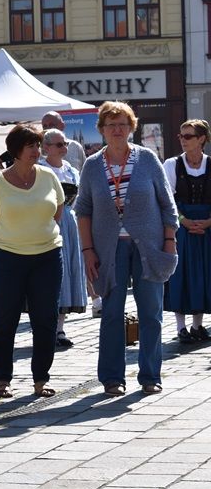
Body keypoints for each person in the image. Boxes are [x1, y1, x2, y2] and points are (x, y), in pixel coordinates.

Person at [76, 101, 178, 397]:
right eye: (111, 125)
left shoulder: (147, 159)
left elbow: (167, 206)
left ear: (131, 127)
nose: (117, 129)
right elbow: (83, 210)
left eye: (122, 124)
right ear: (102, 130)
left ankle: (149, 375)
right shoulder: (93, 165)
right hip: (109, 250)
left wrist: (169, 242)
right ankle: (112, 378)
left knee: (151, 313)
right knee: (110, 313)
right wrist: (88, 251)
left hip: (148, 246)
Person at [0, 126, 65, 399]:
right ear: (15, 149)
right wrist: (18, 236)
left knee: (46, 319)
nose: (35, 151)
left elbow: (58, 209)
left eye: (38, 145)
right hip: (8, 257)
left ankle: (41, 379)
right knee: (5, 319)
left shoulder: (49, 176)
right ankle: (2, 379)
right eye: (30, 145)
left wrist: (39, 234)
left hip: (48, 256)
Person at [163, 119, 211, 345]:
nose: (183, 140)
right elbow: (167, 199)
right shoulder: (172, 165)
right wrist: (184, 220)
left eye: (188, 136)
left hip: (207, 226)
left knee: (203, 274)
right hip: (181, 226)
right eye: (181, 136)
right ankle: (181, 327)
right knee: (181, 274)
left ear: (201, 139)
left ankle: (198, 325)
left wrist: (208, 222)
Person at [40, 128, 88, 347]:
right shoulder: (40, 169)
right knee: (50, 273)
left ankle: (60, 327)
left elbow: (79, 199)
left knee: (68, 271)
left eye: (65, 144)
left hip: (68, 221)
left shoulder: (70, 170)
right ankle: (45, 327)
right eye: (59, 144)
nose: (64, 148)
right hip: (46, 222)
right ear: (46, 147)